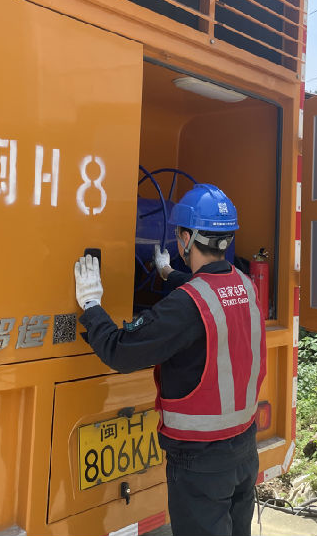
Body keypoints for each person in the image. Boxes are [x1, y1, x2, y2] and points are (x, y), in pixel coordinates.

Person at [73, 184, 266, 536]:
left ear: (186, 238)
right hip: (242, 451)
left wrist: (91, 305)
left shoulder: (186, 305)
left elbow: (120, 350)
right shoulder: (244, 284)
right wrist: (168, 274)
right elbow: (211, 293)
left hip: (201, 462)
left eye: (180, 234)